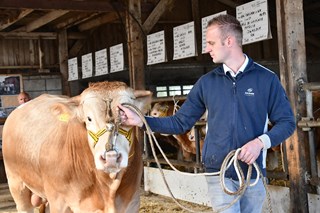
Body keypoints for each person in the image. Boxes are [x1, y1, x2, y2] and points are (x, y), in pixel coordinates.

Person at [118, 14, 295, 213]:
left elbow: (287, 122)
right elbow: (180, 122)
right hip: (218, 172)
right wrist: (141, 120)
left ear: (229, 41)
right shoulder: (207, 83)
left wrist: (260, 143)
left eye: (211, 43)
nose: (207, 49)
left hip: (253, 173)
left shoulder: (266, 79)